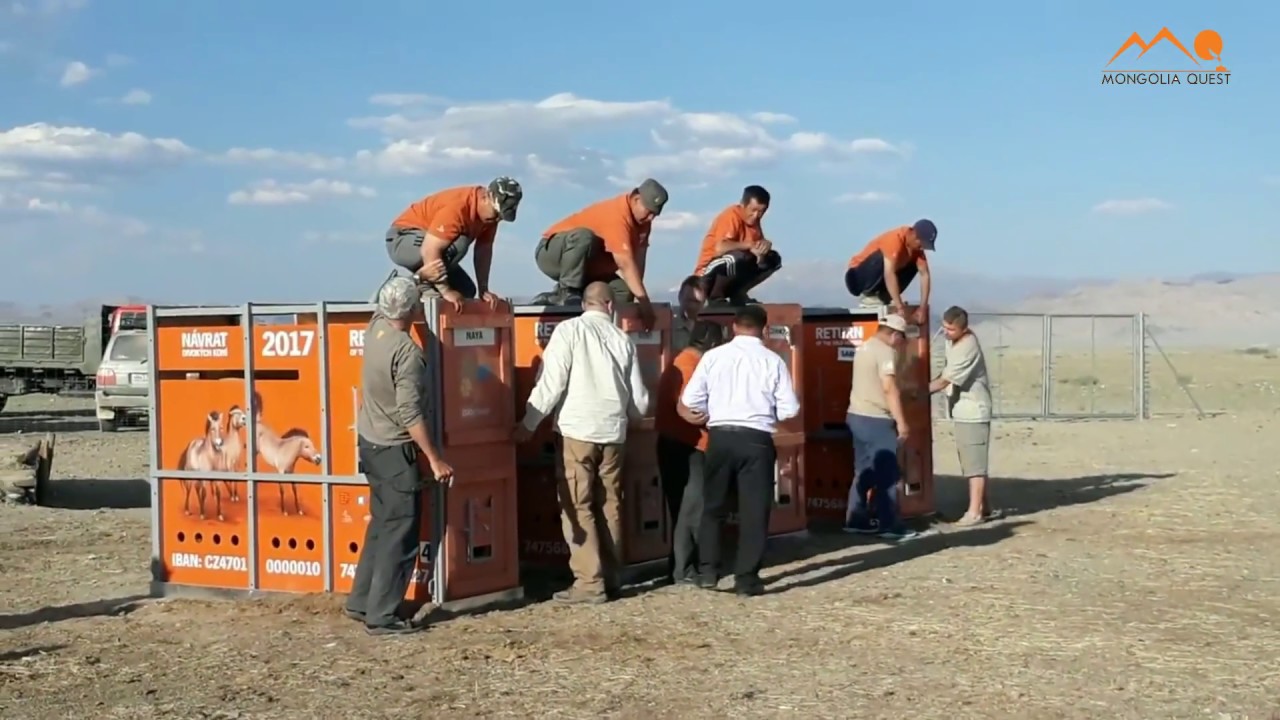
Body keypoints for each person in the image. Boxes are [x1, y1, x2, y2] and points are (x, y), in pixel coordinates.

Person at [513, 282, 651, 604]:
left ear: (585, 303)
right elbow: (640, 402)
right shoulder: (623, 339)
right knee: (610, 505)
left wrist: (528, 424)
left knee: (578, 505)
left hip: (577, 431)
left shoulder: (568, 332)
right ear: (609, 306)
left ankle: (590, 583)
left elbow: (551, 383)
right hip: (614, 434)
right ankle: (612, 576)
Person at [344, 277, 455, 636]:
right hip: (394, 451)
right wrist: (435, 459)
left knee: (381, 525)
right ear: (412, 310)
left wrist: (416, 276)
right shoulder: (408, 353)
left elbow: (382, 294)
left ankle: (361, 601)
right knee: (400, 534)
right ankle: (382, 616)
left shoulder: (374, 329)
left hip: (369, 444)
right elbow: (411, 415)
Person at [679, 305, 799, 597]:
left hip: (719, 437)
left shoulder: (713, 357)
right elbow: (790, 409)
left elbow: (691, 398)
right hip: (756, 439)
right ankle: (746, 580)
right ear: (764, 328)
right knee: (754, 512)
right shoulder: (773, 361)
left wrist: (712, 411)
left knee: (713, 507)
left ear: (734, 327)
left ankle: (708, 572)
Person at [533, 178, 669, 328]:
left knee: (623, 292)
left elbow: (638, 262)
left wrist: (639, 300)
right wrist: (645, 304)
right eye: (649, 211)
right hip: (553, 254)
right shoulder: (617, 215)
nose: (651, 218)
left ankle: (590, 316)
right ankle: (567, 291)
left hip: (587, 268)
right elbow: (624, 263)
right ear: (636, 199)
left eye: (655, 215)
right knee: (584, 237)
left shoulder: (643, 224)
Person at [384, 177, 523, 311]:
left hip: (429, 246)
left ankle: (425, 283)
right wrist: (446, 290)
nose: (497, 219)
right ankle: (410, 285)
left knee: (466, 290)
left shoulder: (491, 217)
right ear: (486, 198)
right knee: (461, 242)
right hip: (403, 238)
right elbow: (429, 249)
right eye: (496, 214)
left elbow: (483, 250)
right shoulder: (459, 207)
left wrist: (484, 289)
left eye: (501, 217)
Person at [656, 320, 725, 586]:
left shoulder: (682, 361)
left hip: (674, 444)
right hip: (687, 447)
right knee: (691, 510)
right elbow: (692, 412)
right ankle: (684, 571)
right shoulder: (691, 366)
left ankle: (679, 567)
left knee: (681, 510)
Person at [843, 313, 920, 542]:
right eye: (902, 338)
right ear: (894, 334)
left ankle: (856, 519)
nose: (902, 344)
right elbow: (889, 388)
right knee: (887, 473)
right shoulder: (885, 352)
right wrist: (903, 423)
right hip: (876, 418)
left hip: (856, 415)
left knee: (864, 471)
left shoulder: (864, 347)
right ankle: (889, 525)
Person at [929, 305, 998, 525]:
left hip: (973, 411)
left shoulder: (968, 346)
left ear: (962, 328)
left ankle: (974, 512)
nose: (945, 333)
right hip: (962, 409)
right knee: (971, 460)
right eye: (944, 328)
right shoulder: (953, 342)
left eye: (950, 329)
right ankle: (985, 507)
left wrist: (915, 391)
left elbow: (944, 380)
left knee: (974, 465)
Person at [693, 185, 781, 305]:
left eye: (761, 212)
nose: (756, 216)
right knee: (736, 257)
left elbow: (756, 256)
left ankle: (738, 293)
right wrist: (750, 245)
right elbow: (720, 248)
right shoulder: (731, 216)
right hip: (706, 276)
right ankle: (715, 297)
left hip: (733, 272)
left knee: (772, 259)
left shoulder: (755, 224)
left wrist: (763, 250)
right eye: (753, 210)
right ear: (743, 205)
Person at [844, 219, 936, 322]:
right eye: (921, 244)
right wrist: (899, 305)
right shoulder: (895, 239)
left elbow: (924, 275)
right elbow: (889, 273)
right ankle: (869, 296)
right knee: (884, 257)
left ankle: (885, 296)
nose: (921, 248)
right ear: (913, 234)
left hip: (881, 279)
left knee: (916, 264)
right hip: (857, 278)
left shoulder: (917, 250)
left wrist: (922, 308)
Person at [671, 274, 707, 352]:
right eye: (688, 300)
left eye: (696, 302)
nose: (692, 306)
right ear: (680, 297)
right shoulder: (669, 326)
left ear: (704, 302)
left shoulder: (709, 330)